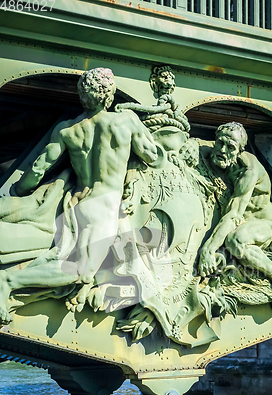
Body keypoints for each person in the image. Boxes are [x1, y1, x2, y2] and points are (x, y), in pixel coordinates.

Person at [0, 67, 158, 323]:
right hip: (105, 206)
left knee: (72, 261)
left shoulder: (67, 129)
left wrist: (17, 192)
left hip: (79, 203)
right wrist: (132, 164)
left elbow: (39, 167)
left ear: (82, 95)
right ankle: (8, 280)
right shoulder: (125, 121)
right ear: (110, 94)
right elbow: (154, 156)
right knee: (82, 271)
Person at [198, 122, 272, 299]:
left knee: (235, 241)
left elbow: (234, 215)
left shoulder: (249, 171)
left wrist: (208, 250)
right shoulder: (220, 152)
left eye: (230, 147)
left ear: (240, 151)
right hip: (236, 220)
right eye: (220, 143)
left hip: (260, 224)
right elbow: (201, 144)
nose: (222, 150)